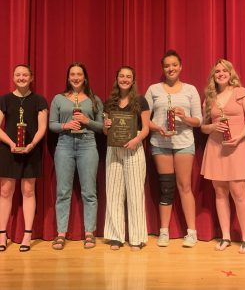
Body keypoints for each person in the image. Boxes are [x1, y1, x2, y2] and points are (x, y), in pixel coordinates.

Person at [145, 50, 202, 247]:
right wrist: (158, 128)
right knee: (166, 187)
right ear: (163, 68)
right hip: (160, 144)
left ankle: (192, 232)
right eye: (167, 65)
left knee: (185, 186)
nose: (171, 68)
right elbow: (144, 120)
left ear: (181, 66)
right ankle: (164, 232)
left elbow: (199, 121)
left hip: (184, 142)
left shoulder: (190, 90)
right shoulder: (153, 89)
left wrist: (184, 117)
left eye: (174, 65)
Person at [200, 59, 245, 254]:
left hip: (237, 147)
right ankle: (225, 236)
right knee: (220, 193)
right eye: (217, 71)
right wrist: (213, 126)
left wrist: (240, 136)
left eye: (224, 71)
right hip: (216, 148)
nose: (221, 74)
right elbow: (203, 127)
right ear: (213, 76)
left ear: (230, 73)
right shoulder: (209, 98)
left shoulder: (242, 93)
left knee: (239, 193)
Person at [49, 62, 103, 250]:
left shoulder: (94, 100)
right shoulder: (58, 99)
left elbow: (102, 126)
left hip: (88, 145)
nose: (76, 77)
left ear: (85, 77)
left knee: (89, 191)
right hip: (64, 145)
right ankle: (61, 233)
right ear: (68, 77)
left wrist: (87, 121)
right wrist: (66, 125)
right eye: (72, 74)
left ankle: (90, 233)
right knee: (63, 191)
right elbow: (52, 124)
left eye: (79, 74)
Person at [0, 64, 48, 252]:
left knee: (28, 190)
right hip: (7, 149)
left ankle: (27, 234)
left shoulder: (39, 100)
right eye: (18, 75)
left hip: (31, 150)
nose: (21, 77)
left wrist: (32, 145)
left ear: (31, 78)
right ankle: (2, 234)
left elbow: (42, 127)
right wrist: (11, 143)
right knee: (5, 191)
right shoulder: (4, 100)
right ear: (13, 77)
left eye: (25, 74)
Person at [103, 66, 150, 251]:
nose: (124, 79)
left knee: (135, 192)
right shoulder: (110, 102)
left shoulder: (141, 100)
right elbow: (106, 130)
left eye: (128, 76)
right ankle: (116, 236)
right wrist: (106, 125)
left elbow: (146, 127)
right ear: (117, 78)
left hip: (134, 146)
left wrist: (136, 140)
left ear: (133, 80)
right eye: (121, 76)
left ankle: (137, 238)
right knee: (114, 192)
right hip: (113, 147)